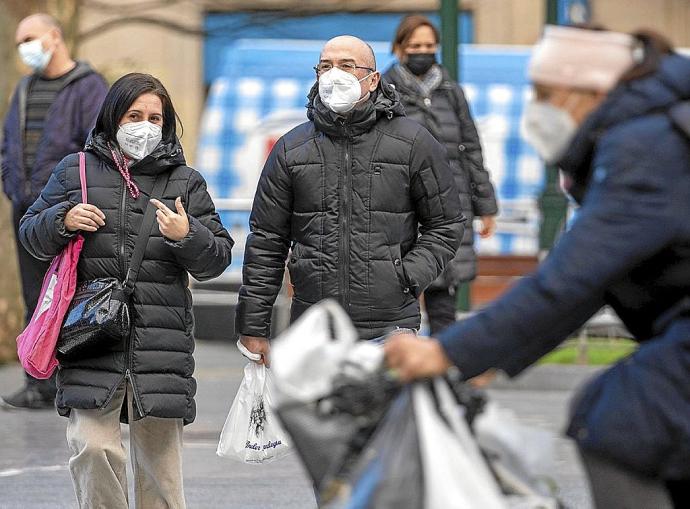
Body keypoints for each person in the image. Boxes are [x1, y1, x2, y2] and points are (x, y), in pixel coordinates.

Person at [384, 25, 690, 508]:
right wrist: (479, 357)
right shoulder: (656, 130)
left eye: (545, 93)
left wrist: (448, 354)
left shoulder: (646, 147)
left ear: (589, 91)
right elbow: (592, 285)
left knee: (621, 419)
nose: (538, 108)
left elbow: (572, 278)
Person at [19, 73, 234, 508]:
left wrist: (186, 233)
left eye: (156, 117)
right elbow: (31, 235)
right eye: (135, 115)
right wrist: (63, 220)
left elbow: (217, 258)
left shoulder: (185, 182)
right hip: (90, 337)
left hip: (160, 343)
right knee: (92, 447)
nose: (145, 126)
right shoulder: (74, 171)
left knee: (160, 477)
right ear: (113, 117)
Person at [236, 35, 464, 363]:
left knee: (384, 415)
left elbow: (446, 223)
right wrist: (253, 325)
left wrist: (407, 275)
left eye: (347, 66)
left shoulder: (413, 142)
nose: (335, 74)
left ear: (373, 81)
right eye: (326, 66)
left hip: (390, 327)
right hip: (313, 326)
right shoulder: (291, 148)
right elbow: (267, 241)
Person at [1, 13, 108, 409]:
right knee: (35, 295)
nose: (23, 47)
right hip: (26, 209)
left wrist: (73, 199)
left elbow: (94, 148)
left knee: (72, 292)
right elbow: (9, 142)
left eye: (29, 37)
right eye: (18, 41)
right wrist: (12, 184)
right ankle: (37, 381)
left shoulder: (89, 87)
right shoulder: (25, 87)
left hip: (68, 212)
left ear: (54, 36)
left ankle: (74, 379)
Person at [384, 14, 498, 334]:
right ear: (399, 48)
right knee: (397, 296)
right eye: (415, 45)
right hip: (401, 204)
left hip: (452, 201)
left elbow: (472, 148)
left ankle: (441, 373)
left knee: (445, 294)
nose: (423, 51)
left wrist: (486, 206)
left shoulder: (451, 91)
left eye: (429, 45)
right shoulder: (386, 92)